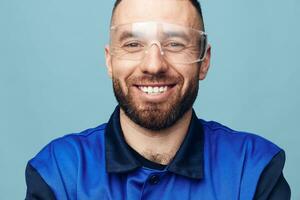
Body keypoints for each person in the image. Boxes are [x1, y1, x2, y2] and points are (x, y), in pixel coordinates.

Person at [25, 0, 291, 199]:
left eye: (175, 44)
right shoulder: (59, 173)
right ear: (110, 61)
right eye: (133, 44)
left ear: (204, 61)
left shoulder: (253, 169)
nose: (153, 65)